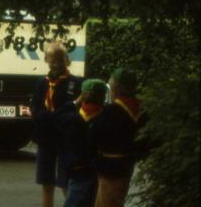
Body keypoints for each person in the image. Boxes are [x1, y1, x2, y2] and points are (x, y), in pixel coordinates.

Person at [31, 40, 83, 207]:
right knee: (47, 182)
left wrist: (51, 117)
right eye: (52, 60)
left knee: (65, 181)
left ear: (66, 60)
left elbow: (72, 112)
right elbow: (36, 108)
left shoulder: (75, 83)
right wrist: (45, 116)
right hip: (46, 138)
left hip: (66, 138)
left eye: (59, 60)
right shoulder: (42, 83)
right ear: (46, 60)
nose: (55, 64)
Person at [90, 68, 147, 207]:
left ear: (116, 86)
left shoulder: (111, 111)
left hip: (109, 166)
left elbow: (95, 136)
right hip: (126, 164)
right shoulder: (141, 109)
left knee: (107, 202)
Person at [56, 78, 108, 207]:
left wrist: (74, 102)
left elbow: (54, 118)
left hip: (71, 169)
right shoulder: (105, 117)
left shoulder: (71, 117)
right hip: (93, 170)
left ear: (83, 95)